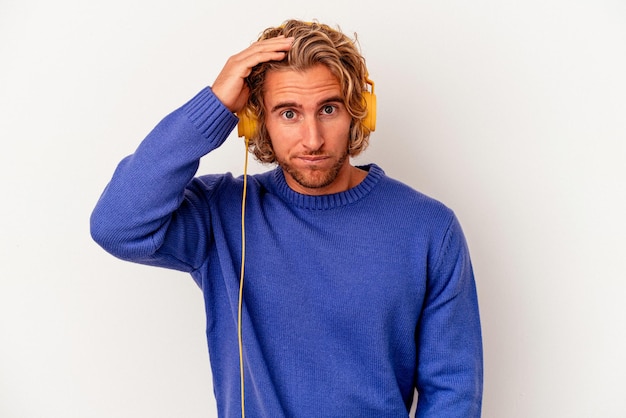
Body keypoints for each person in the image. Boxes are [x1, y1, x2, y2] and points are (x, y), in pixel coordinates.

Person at [90, 19, 483, 417]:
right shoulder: (224, 214)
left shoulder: (430, 228)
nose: (312, 139)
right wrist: (214, 107)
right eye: (289, 113)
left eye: (328, 109)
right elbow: (117, 225)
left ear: (360, 114)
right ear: (257, 121)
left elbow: (453, 390)